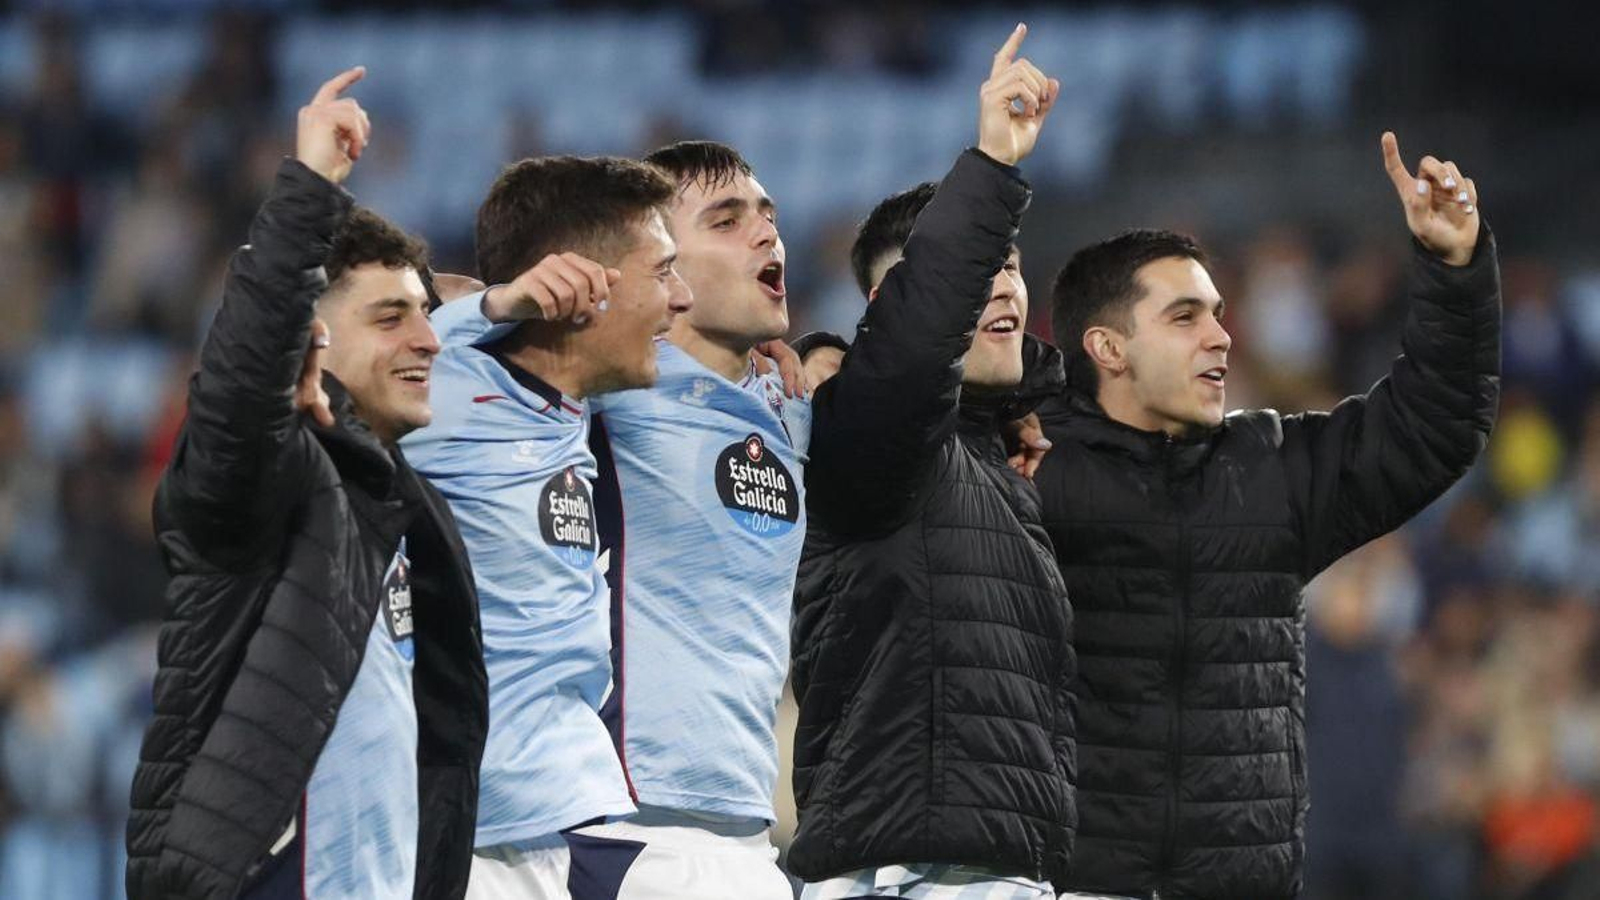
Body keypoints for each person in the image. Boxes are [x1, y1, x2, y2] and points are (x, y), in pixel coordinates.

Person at [1035, 133, 1501, 899]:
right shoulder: (1026, 472)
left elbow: (1433, 427)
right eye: (1185, 317)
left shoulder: (1272, 469)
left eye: (1218, 314)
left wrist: (1454, 268)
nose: (1221, 335)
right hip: (1073, 882)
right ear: (1107, 348)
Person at [126, 67, 489, 900]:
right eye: (391, 317)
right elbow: (238, 389)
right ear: (313, 340)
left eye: (426, 315)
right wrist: (310, 188)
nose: (429, 342)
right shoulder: (271, 479)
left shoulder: (392, 505)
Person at [788, 25, 1077, 898]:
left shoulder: (1000, 455)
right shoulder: (868, 432)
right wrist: (993, 164)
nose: (1004, 284)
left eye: (1014, 265)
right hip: (911, 877)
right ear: (896, 304)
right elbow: (909, 357)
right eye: (979, 265)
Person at [398, 154, 692, 898]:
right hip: (474, 835)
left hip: (576, 810)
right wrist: (493, 306)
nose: (680, 299)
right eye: (662, 273)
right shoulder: (448, 390)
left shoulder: (579, 402)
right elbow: (318, 373)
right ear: (582, 288)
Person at [545, 138, 809, 898]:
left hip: (752, 838)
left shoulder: (786, 410)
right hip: (632, 833)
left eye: (768, 215)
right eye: (726, 220)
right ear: (662, 267)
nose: (766, 233)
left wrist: (816, 356)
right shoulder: (604, 395)